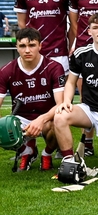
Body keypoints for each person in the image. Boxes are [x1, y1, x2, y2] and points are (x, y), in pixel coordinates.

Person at [53, 14, 98, 168]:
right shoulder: (81, 53)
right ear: (89, 31)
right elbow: (70, 82)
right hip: (89, 110)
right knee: (60, 117)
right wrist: (67, 101)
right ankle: (69, 162)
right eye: (95, 28)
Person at [0, 28, 65, 171]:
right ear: (16, 47)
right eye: (22, 46)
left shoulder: (54, 67)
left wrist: (41, 120)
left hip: (48, 118)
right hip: (21, 120)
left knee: (60, 120)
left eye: (32, 45)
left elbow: (61, 103)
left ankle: (46, 153)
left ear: (40, 46)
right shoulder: (6, 70)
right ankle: (27, 151)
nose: (27, 50)